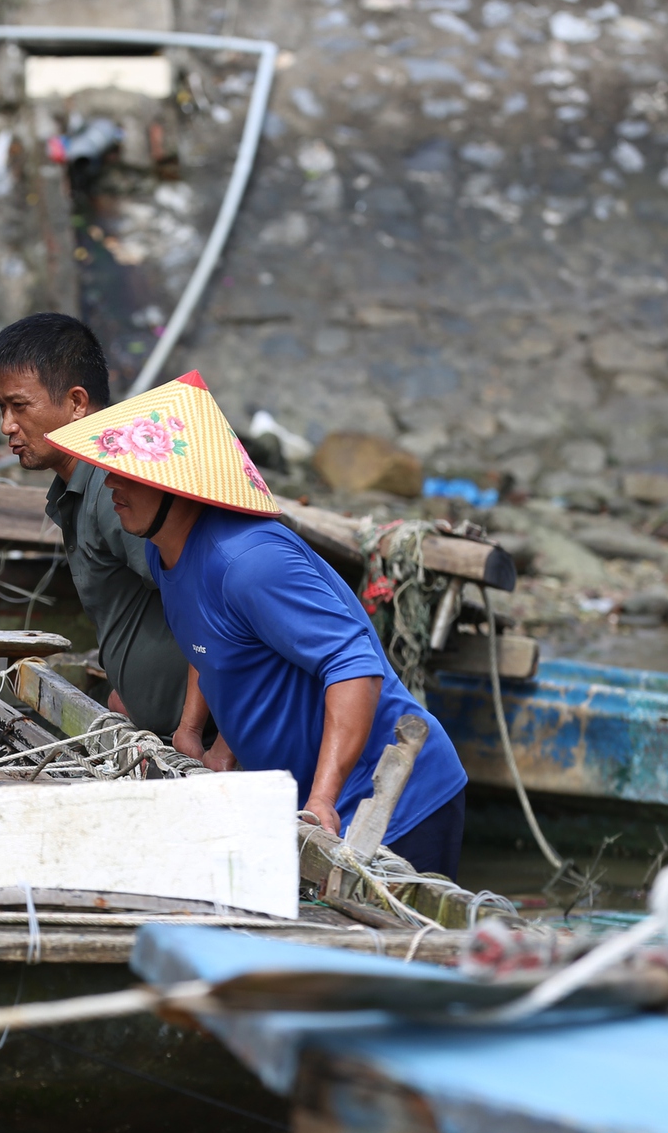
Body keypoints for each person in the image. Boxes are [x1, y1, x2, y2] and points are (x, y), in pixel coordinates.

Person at [44, 370, 470, 879]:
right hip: (301, 796)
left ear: (179, 486)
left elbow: (354, 665)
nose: (111, 483)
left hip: (392, 798)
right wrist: (200, 736)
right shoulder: (168, 557)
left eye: (130, 474)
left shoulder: (249, 562)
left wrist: (323, 798)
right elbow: (213, 647)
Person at [0, 312, 188, 736]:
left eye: (19, 406)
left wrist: (195, 729)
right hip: (149, 726)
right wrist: (124, 691)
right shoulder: (78, 487)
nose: (7, 426)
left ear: (77, 403)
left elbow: (212, 607)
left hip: (193, 741)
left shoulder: (120, 490)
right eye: (1, 408)